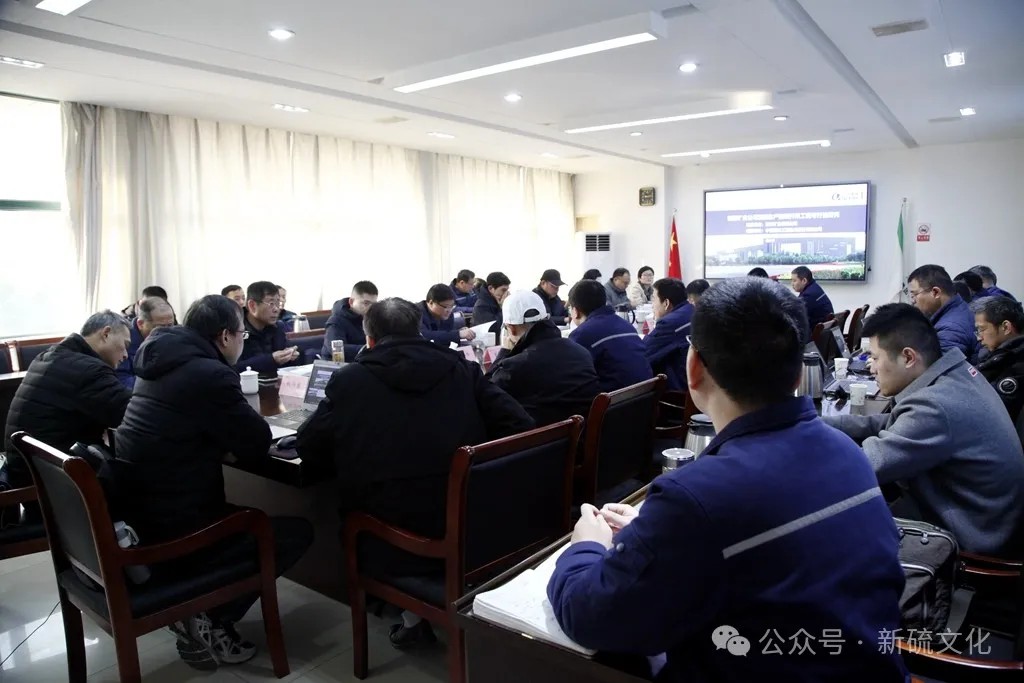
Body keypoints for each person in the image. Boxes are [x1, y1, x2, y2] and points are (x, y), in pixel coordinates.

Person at [548, 277, 907, 682]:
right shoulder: (847, 452)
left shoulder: (697, 496)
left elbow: (591, 615)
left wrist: (586, 546)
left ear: (694, 367)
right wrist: (654, 535)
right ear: (796, 373)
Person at [295, 298, 533, 647]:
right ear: (419, 330)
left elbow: (309, 446)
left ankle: (409, 615)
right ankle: (415, 614)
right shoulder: (461, 368)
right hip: (471, 521)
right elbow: (520, 424)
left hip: (389, 535)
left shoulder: (350, 381)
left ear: (369, 340)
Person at [114, 295, 313, 669]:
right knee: (294, 532)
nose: (242, 342)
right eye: (241, 335)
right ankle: (211, 617)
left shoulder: (157, 359)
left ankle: (201, 606)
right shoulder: (210, 373)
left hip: (142, 513)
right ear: (225, 336)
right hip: (179, 525)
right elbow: (255, 443)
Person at [823, 303, 1024, 556]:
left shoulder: (934, 406)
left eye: (874, 358)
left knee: (835, 522)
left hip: (974, 539)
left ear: (908, 357)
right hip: (986, 517)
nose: (871, 368)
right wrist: (822, 424)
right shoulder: (955, 373)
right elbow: (893, 423)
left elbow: (862, 467)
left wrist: (801, 449)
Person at [4, 311, 133, 494]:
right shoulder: (88, 370)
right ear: (106, 333)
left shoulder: (50, 356)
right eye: (125, 345)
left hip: (28, 471)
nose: (126, 355)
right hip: (57, 488)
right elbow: (133, 415)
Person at [487, 290, 599, 426]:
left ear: (511, 328)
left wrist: (505, 351)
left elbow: (485, 394)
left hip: (543, 438)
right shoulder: (581, 352)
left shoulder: (513, 368)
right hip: (586, 433)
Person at [567, 279, 652, 393]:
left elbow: (572, 377)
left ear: (576, 311)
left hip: (613, 400)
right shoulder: (627, 325)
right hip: (645, 396)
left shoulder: (582, 334)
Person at [972, 296, 1024, 427]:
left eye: (982, 329)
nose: (979, 338)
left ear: (1006, 327)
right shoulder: (998, 355)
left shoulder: (1016, 367)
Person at [907, 264, 977, 357]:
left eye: (914, 294)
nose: (912, 301)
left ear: (935, 292)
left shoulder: (950, 329)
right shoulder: (960, 307)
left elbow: (943, 365)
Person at [236, 281, 299, 375]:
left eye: (278, 303)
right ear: (252, 306)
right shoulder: (236, 330)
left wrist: (290, 356)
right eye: (271, 303)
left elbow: (284, 366)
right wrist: (271, 359)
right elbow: (234, 367)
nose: (276, 309)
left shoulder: (278, 327)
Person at [642, 278, 693, 391]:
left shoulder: (669, 323)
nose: (652, 305)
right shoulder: (692, 310)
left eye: (653, 299)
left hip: (677, 392)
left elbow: (644, 354)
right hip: (696, 384)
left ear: (666, 303)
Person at [115, 297, 175, 389]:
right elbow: (122, 380)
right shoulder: (123, 341)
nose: (167, 332)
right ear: (141, 324)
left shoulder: (177, 335)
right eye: (160, 327)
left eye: (170, 325)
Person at [320, 281, 378, 359]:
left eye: (374, 304)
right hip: (336, 364)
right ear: (351, 302)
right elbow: (336, 349)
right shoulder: (336, 321)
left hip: (363, 361)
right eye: (366, 303)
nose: (371, 308)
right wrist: (368, 348)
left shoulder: (373, 319)